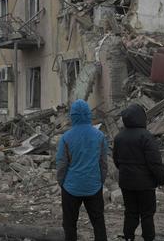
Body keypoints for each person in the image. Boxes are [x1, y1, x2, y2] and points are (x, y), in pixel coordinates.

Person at [113, 104, 164, 241]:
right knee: (147, 214)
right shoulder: (146, 137)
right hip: (145, 184)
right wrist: (163, 180)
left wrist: (126, 171)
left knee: (130, 212)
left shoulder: (119, 137)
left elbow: (116, 160)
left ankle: (128, 237)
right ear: (141, 118)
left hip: (126, 183)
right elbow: (154, 162)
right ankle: (148, 238)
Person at [56, 99, 108, 241]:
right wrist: (100, 180)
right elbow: (104, 163)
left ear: (72, 116)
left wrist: (61, 182)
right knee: (98, 223)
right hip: (93, 186)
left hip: (71, 187)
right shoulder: (99, 136)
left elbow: (61, 164)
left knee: (70, 224)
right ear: (88, 114)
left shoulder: (66, 137)